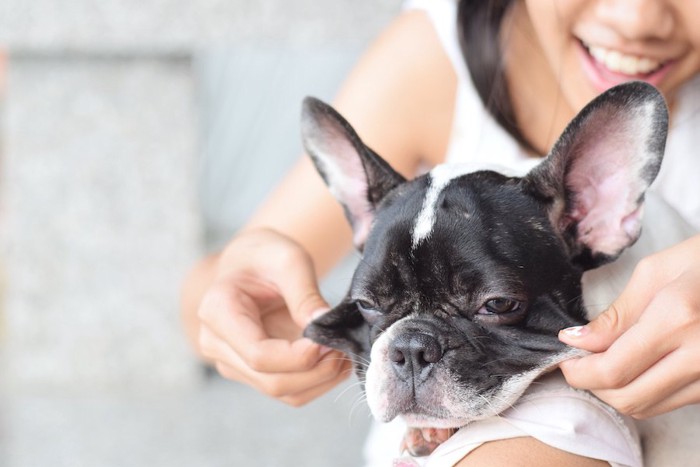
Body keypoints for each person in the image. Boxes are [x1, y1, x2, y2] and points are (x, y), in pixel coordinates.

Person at [181, 0, 700, 465]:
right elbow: (205, 302)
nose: (638, 17)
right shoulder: (429, 64)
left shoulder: (575, 210)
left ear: (597, 211)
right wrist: (242, 304)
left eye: (495, 302)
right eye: (372, 303)